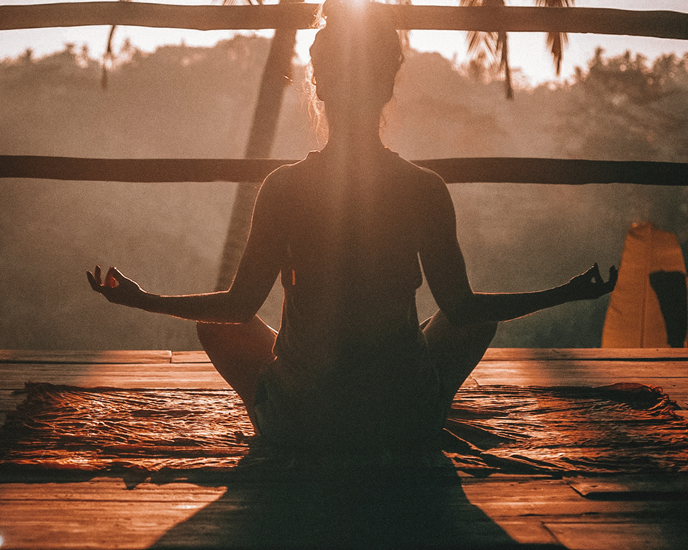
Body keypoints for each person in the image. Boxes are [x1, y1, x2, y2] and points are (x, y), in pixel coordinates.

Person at [88, 0, 617, 454]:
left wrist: (143, 299)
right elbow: (463, 308)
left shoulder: (284, 187)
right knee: (475, 320)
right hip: (400, 421)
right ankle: (423, 414)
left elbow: (236, 307)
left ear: (318, 85)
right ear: (388, 86)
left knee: (217, 325)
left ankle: (285, 418)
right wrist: (565, 293)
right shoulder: (423, 188)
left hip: (303, 425)